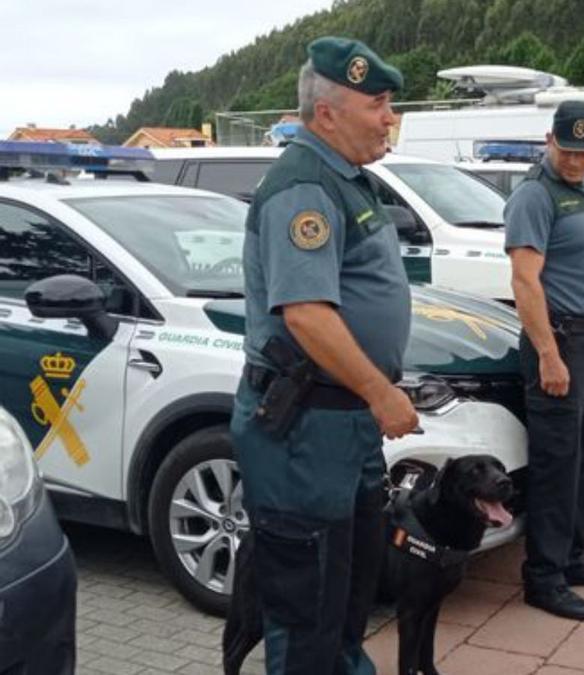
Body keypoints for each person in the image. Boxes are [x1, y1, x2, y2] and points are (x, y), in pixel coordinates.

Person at [230, 36, 420, 675]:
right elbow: (307, 313)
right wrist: (379, 391)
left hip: (341, 428)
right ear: (329, 112)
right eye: (380, 103)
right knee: (306, 611)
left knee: (345, 597)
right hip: (306, 432)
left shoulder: (348, 180)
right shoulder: (304, 185)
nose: (390, 116)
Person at [505, 100, 584, 621]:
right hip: (558, 344)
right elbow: (524, 280)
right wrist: (547, 354)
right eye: (568, 149)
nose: (577, 160)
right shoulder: (535, 196)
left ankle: (577, 555)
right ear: (549, 140)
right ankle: (544, 575)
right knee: (558, 465)